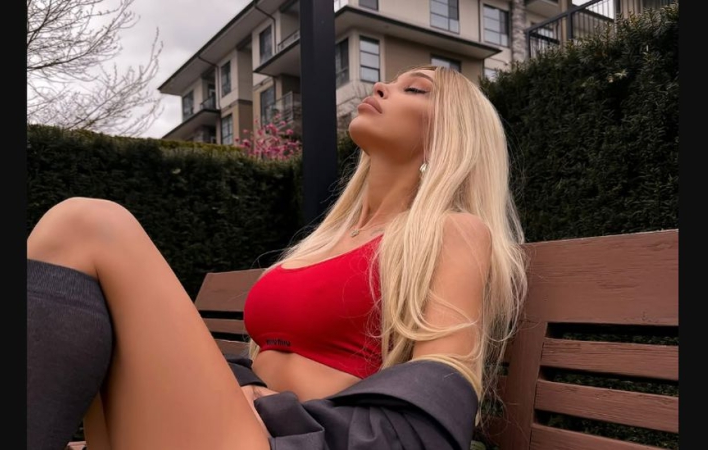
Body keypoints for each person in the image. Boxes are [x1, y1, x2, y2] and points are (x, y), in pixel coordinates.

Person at [27, 65, 528, 450]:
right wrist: (244, 382)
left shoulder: (455, 232)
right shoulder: (324, 241)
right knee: (79, 246)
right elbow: (258, 360)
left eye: (414, 89)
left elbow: (437, 396)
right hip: (240, 426)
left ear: (449, 135)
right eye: (390, 82)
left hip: (309, 440)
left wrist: (279, 412)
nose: (381, 86)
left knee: (88, 224)